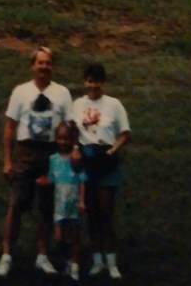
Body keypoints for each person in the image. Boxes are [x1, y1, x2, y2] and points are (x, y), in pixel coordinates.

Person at [0, 46, 73, 279]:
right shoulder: (21, 92)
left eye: (48, 63)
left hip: (51, 153)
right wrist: (8, 160)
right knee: (17, 204)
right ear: (33, 66)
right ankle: (7, 255)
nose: (44, 67)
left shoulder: (62, 93)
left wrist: (68, 157)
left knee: (47, 207)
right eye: (40, 63)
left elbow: (69, 127)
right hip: (26, 152)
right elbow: (10, 127)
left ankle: (42, 255)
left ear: (53, 66)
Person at [71, 62, 130, 281]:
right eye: (89, 80)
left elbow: (124, 133)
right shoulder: (78, 104)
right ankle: (97, 260)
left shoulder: (113, 105)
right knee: (92, 212)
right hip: (88, 159)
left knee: (106, 211)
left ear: (102, 82)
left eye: (96, 81)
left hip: (106, 158)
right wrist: (76, 149)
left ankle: (112, 261)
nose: (92, 85)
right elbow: (73, 130)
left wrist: (113, 150)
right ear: (84, 81)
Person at [37, 120, 87, 282]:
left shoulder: (77, 159)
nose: (63, 142)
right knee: (59, 237)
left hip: (73, 202)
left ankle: (75, 265)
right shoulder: (54, 159)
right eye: (60, 138)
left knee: (75, 236)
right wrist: (45, 181)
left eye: (66, 138)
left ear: (73, 140)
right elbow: (53, 177)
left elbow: (82, 180)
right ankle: (67, 259)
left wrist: (82, 201)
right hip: (60, 203)